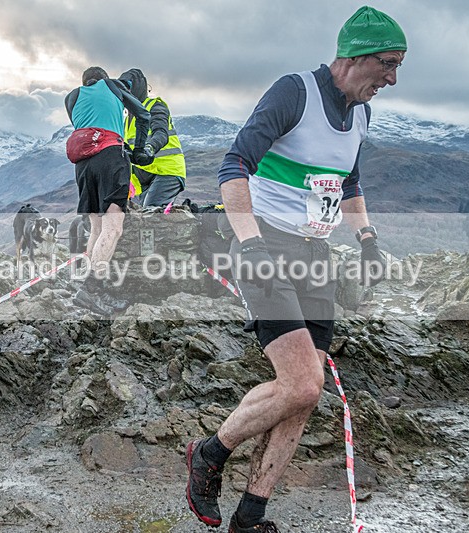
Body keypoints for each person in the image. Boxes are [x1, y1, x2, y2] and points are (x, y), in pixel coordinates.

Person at [185, 6, 405, 531]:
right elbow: (234, 165)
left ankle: (252, 511)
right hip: (264, 248)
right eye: (388, 64)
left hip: (315, 255)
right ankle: (210, 453)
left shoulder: (363, 114)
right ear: (356, 56)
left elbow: (348, 183)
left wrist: (368, 238)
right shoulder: (295, 93)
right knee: (304, 383)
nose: (393, 79)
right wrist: (251, 242)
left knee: (305, 393)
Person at [64, 67, 151, 314]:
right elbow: (143, 115)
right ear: (103, 78)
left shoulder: (71, 97)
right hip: (111, 158)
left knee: (97, 228)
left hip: (82, 164)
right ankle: (91, 290)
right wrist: (140, 151)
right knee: (114, 228)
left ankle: (89, 287)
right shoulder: (113, 85)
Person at [119, 68, 186, 207]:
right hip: (142, 175)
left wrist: (150, 148)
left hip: (167, 170)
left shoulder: (155, 106)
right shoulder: (126, 120)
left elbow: (161, 133)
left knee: (151, 211)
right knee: (143, 217)